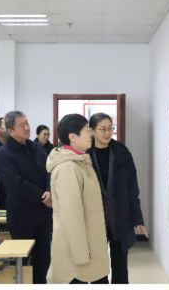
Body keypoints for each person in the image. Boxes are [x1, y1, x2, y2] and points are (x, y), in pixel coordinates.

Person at [47, 114, 109, 284]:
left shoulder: (80, 161)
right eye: (87, 131)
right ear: (73, 137)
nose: (91, 134)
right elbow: (71, 216)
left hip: (89, 246)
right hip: (77, 254)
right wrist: (81, 255)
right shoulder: (68, 167)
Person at [87, 113, 147, 284]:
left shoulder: (122, 152)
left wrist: (137, 218)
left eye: (110, 128)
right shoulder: (85, 154)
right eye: (103, 129)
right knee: (98, 264)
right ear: (92, 131)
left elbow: (132, 187)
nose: (108, 133)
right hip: (95, 217)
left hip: (120, 216)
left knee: (120, 264)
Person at [0, 110, 52, 284]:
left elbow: (48, 172)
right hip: (22, 216)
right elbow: (16, 184)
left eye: (27, 123)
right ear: (11, 130)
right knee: (25, 262)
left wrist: (49, 190)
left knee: (43, 260)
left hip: (43, 214)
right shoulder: (5, 153)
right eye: (22, 125)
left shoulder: (36, 148)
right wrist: (42, 195)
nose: (27, 127)